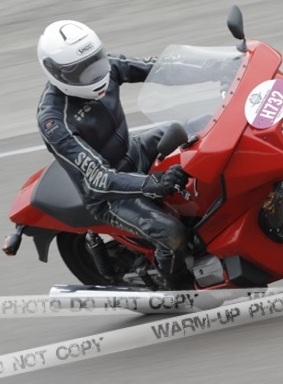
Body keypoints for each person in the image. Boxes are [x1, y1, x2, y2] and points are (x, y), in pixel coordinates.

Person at [36, 20, 191, 289]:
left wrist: (222, 68)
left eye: (95, 61)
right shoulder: (54, 121)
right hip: (109, 195)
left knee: (196, 127)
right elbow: (99, 177)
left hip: (135, 151)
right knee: (171, 233)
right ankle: (179, 290)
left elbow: (159, 68)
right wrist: (153, 184)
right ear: (56, 72)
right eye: (80, 70)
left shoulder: (106, 66)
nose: (94, 72)